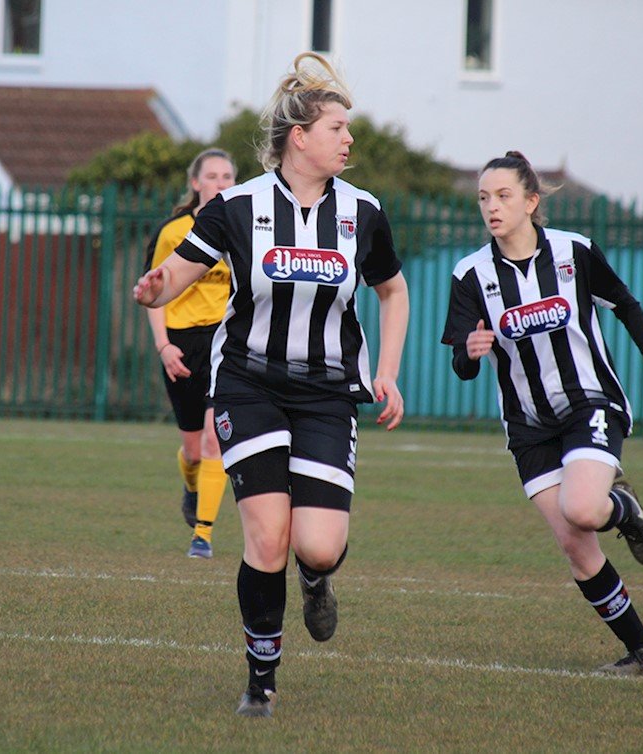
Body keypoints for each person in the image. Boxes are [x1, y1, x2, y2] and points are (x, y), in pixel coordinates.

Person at [134, 52, 409, 717]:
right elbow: (179, 272)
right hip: (248, 385)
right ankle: (261, 682)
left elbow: (393, 291)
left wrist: (387, 373)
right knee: (266, 537)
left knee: (318, 545)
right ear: (300, 137)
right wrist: (155, 289)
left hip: (326, 392)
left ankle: (317, 579)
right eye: (338, 127)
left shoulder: (363, 212)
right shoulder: (237, 207)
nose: (349, 139)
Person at [441, 150, 643, 676]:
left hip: (589, 401)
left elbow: (627, 306)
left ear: (530, 201)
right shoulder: (470, 275)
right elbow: (461, 364)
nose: (492, 207)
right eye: (483, 198)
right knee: (574, 543)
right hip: (527, 425)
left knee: (586, 510)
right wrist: (470, 351)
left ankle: (624, 511)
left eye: (503, 196)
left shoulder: (574, 252)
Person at [142, 148, 237, 559]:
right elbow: (155, 293)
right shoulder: (172, 231)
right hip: (181, 344)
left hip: (225, 343)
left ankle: (203, 535)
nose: (220, 183)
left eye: (228, 176)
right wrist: (164, 347)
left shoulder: (244, 229)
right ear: (195, 183)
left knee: (217, 439)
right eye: (212, 176)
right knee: (194, 451)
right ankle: (191, 483)